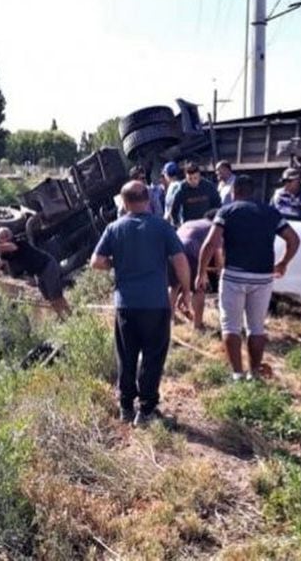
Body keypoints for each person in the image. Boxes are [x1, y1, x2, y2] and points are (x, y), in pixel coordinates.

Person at [92, 180, 191, 427]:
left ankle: (126, 406)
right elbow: (180, 260)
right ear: (148, 199)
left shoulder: (114, 228)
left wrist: (116, 264)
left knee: (126, 356)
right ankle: (146, 410)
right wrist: (186, 291)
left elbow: (96, 261)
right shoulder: (162, 227)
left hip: (126, 304)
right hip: (156, 304)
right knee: (153, 357)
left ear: (124, 204)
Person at [198, 175, 300, 381]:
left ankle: (237, 374)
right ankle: (254, 373)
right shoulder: (270, 212)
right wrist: (282, 263)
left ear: (234, 192)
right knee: (256, 328)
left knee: (230, 326)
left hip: (234, 275)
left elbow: (210, 243)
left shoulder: (227, 211)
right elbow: (294, 239)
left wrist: (201, 272)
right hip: (263, 276)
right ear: (253, 192)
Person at [0, 227, 71, 317]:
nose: (5, 237)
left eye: (6, 234)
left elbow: (2, 247)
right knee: (48, 298)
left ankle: (69, 315)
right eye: (2, 237)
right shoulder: (5, 252)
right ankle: (61, 316)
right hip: (38, 272)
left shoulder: (18, 242)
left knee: (55, 296)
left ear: (11, 234)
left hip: (48, 266)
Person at [169, 208, 222, 331]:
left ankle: (170, 319)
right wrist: (220, 271)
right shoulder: (214, 227)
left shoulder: (190, 223)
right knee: (199, 288)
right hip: (191, 253)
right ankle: (197, 325)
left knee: (174, 285)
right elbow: (218, 256)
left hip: (172, 253)